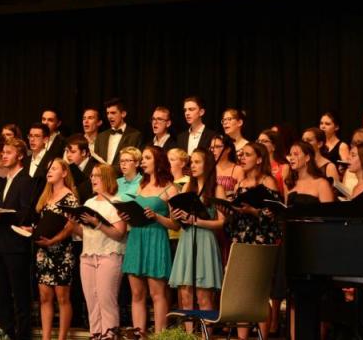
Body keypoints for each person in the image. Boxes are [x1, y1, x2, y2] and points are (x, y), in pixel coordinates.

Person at [221, 142, 283, 339]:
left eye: (247, 155)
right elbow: (234, 221)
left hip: (261, 240)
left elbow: (274, 216)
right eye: (242, 154)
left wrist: (253, 211)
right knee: (241, 291)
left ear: (259, 159)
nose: (243, 158)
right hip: (241, 239)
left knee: (258, 292)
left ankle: (263, 336)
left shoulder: (268, 182)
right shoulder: (240, 183)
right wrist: (228, 213)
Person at [120, 146, 179, 335]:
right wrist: (127, 215)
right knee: (137, 294)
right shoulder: (141, 185)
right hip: (137, 238)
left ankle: (160, 335)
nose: (143, 161)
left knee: (157, 293)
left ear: (158, 161)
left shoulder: (171, 188)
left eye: (146, 158)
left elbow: (176, 225)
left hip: (156, 239)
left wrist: (157, 217)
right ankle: (139, 334)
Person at [169, 149, 225, 333]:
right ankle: (188, 336)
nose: (192, 165)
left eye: (197, 162)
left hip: (205, 239)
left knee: (204, 295)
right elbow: (176, 220)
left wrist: (198, 221)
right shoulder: (187, 187)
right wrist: (175, 213)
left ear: (207, 165)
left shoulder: (217, 189)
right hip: (187, 238)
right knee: (185, 295)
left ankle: (206, 336)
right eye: (191, 162)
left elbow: (222, 221)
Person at [0, 138, 36, 340]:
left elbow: (25, 213)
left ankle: (23, 335)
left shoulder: (26, 180)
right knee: (1, 294)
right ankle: (5, 333)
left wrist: (1, 215)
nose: (3, 155)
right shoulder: (4, 180)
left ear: (20, 156)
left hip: (16, 245)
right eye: (3, 152)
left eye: (8, 152)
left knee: (20, 295)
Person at [73, 163, 128, 338]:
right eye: (92, 176)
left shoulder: (117, 202)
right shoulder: (89, 202)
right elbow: (85, 233)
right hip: (88, 255)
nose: (92, 179)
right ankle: (95, 334)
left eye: (96, 175)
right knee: (91, 301)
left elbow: (119, 234)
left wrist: (97, 223)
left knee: (107, 300)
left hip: (109, 255)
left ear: (107, 178)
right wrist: (72, 224)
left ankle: (109, 335)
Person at [33, 160, 80, 340]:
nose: (49, 172)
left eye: (54, 169)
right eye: (48, 169)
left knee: (62, 297)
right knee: (44, 296)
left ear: (64, 173)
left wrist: (54, 240)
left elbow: (71, 225)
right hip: (44, 251)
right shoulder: (46, 195)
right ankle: (45, 337)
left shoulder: (69, 197)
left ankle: (61, 337)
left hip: (61, 251)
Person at [95, 98, 143, 169]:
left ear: (123, 114)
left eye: (113, 113)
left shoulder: (135, 135)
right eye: (107, 113)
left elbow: (137, 161)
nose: (109, 116)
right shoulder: (100, 137)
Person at [285, 141, 335, 206]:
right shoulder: (291, 182)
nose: (291, 158)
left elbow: (329, 214)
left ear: (307, 158)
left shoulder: (322, 184)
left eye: (296, 154)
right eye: (290, 155)